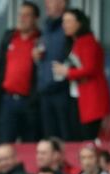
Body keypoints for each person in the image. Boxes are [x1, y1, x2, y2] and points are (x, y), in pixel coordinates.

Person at [52, 9, 110, 140]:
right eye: (63, 21)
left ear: (79, 23)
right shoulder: (75, 42)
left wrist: (67, 72)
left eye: (68, 21)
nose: (64, 25)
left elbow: (90, 69)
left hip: (91, 97)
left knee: (87, 136)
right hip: (79, 96)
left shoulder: (88, 41)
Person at [0, 2, 41, 143]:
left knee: (30, 143)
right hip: (8, 99)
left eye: (27, 15)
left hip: (30, 101)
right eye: (21, 15)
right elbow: (0, 64)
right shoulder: (10, 36)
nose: (22, 18)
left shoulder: (41, 39)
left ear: (36, 18)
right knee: (4, 142)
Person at [36, 0, 71, 140]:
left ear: (62, 3)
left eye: (51, 0)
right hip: (45, 89)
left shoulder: (68, 28)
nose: (46, 3)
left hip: (63, 90)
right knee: (50, 138)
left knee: (66, 136)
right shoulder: (46, 27)